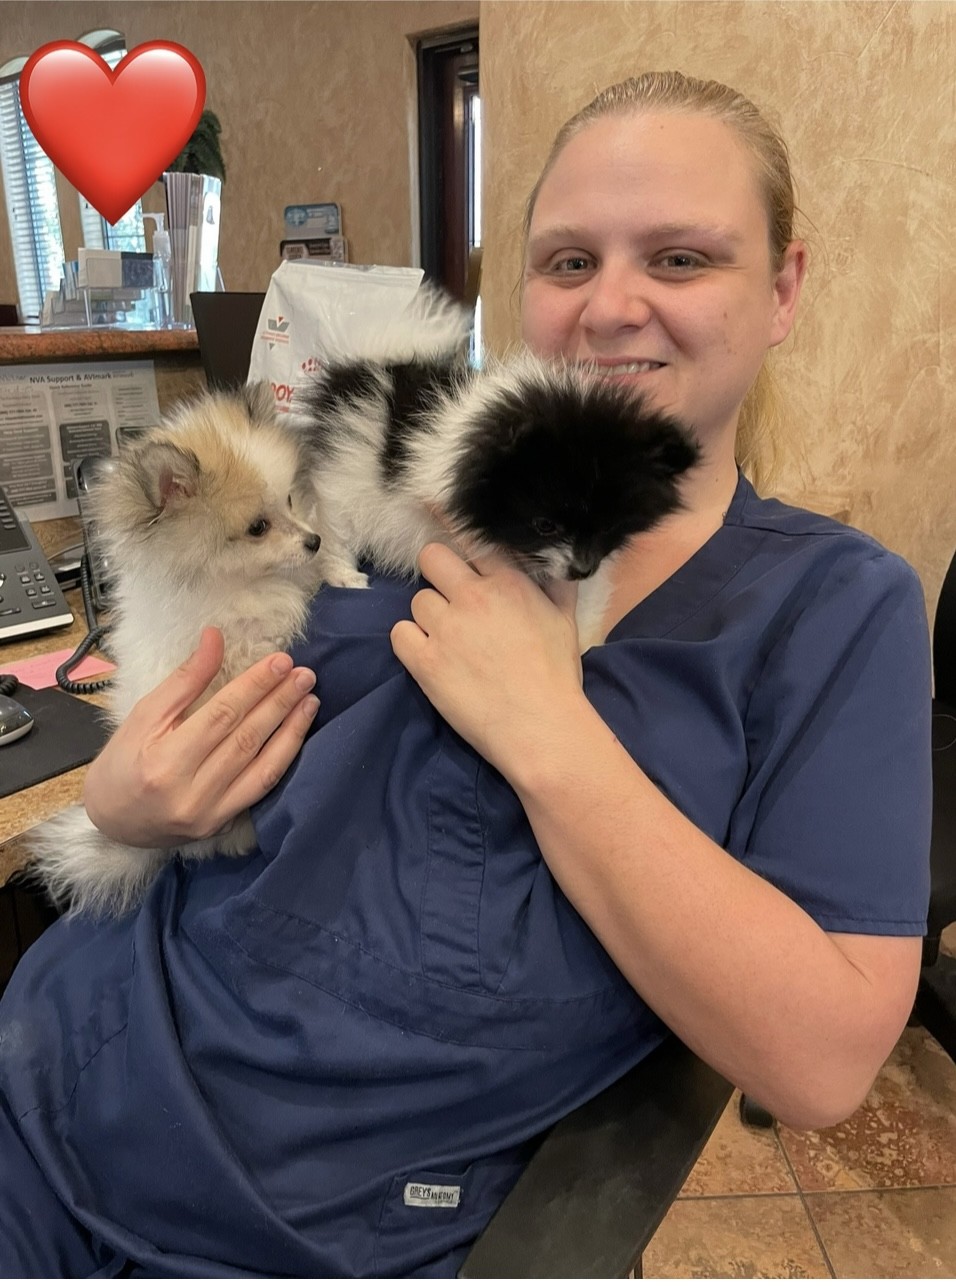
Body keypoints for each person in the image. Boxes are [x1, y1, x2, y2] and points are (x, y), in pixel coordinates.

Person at [0, 72, 931, 1277]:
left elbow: (820, 1064)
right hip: (57, 1074)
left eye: (683, 258)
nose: (612, 308)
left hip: (293, 1229)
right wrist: (123, 809)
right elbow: (188, 678)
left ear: (782, 291)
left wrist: (550, 734)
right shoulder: (394, 499)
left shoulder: (828, 607)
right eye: (565, 262)